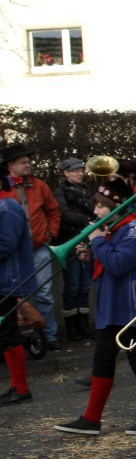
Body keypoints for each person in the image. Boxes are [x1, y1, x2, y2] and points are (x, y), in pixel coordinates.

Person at [54, 176, 136, 434]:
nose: (95, 212)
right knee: (102, 359)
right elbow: (108, 261)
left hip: (133, 307)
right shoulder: (114, 230)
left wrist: (97, 241)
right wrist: (90, 255)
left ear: (116, 207)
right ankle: (91, 418)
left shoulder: (134, 229)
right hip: (114, 305)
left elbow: (118, 265)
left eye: (101, 206)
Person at [1, 145, 61, 349]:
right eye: (24, 162)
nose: (29, 165)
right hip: (13, 255)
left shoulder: (40, 185)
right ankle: (21, 339)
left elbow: (54, 211)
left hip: (38, 248)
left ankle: (50, 336)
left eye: (29, 162)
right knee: (14, 298)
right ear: (11, 165)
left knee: (45, 293)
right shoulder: (2, 188)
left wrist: (50, 234)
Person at [0, 165, 35, 407]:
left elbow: (6, 244)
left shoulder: (7, 207)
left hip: (5, 280)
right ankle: (17, 386)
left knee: (8, 333)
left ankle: (21, 388)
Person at [53, 158, 95, 343]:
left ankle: (83, 325)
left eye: (81, 170)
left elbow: (94, 210)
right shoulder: (59, 191)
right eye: (75, 171)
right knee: (72, 286)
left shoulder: (85, 191)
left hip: (86, 241)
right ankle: (72, 327)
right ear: (65, 173)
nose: (80, 173)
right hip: (70, 241)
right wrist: (86, 220)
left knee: (85, 286)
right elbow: (64, 214)